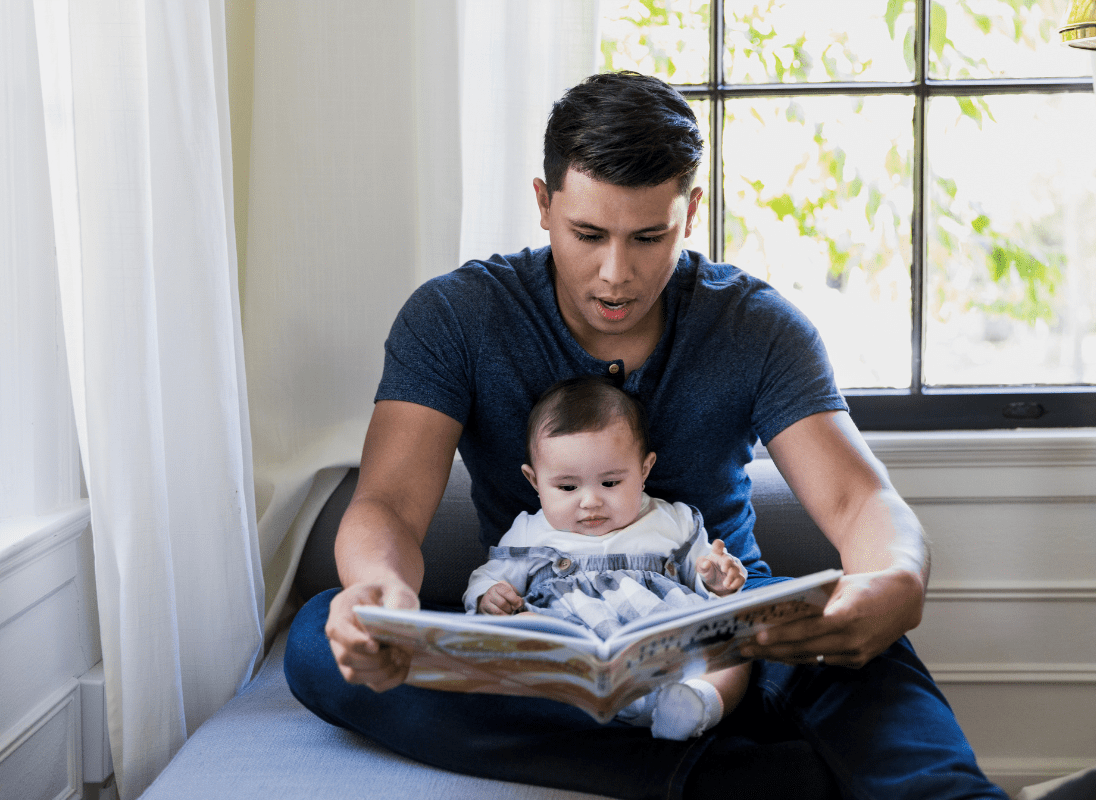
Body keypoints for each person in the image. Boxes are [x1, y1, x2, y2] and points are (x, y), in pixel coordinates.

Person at [284, 70, 1006, 799]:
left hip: (724, 634)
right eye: (588, 234)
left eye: (648, 237)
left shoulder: (758, 326)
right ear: (543, 204)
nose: (615, 275)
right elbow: (390, 505)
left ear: (690, 213)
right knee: (320, 640)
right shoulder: (456, 317)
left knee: (870, 656)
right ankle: (730, 781)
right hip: (543, 635)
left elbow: (859, 502)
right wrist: (378, 597)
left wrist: (898, 577)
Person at [464, 375, 751, 741]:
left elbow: (703, 574)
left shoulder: (670, 520)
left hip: (666, 651)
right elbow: (489, 577)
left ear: (644, 471)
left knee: (735, 647)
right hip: (572, 658)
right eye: (567, 487)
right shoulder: (528, 531)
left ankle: (696, 704)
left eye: (611, 483)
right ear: (534, 481)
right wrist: (490, 596)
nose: (590, 502)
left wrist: (717, 582)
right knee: (518, 638)